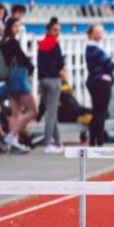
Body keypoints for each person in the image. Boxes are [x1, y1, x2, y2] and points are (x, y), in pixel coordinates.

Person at [0, 17, 35, 150]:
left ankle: (14, 142)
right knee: (33, 111)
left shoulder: (2, 43)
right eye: (15, 26)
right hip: (19, 79)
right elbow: (23, 58)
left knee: (16, 113)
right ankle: (11, 136)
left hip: (9, 79)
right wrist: (31, 69)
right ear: (9, 27)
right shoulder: (13, 42)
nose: (18, 29)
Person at [37, 17, 65, 154]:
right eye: (55, 30)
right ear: (49, 30)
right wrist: (58, 66)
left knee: (50, 111)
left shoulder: (41, 43)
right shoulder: (54, 43)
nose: (57, 32)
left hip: (42, 80)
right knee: (52, 113)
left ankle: (58, 141)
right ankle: (47, 143)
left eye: (59, 30)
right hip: (53, 79)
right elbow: (60, 63)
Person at [85, 23, 114, 146]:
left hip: (95, 81)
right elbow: (109, 65)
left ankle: (93, 139)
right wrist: (113, 61)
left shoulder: (93, 48)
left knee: (97, 111)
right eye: (98, 32)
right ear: (92, 34)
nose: (101, 34)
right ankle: (99, 140)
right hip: (100, 82)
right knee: (100, 112)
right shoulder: (94, 49)